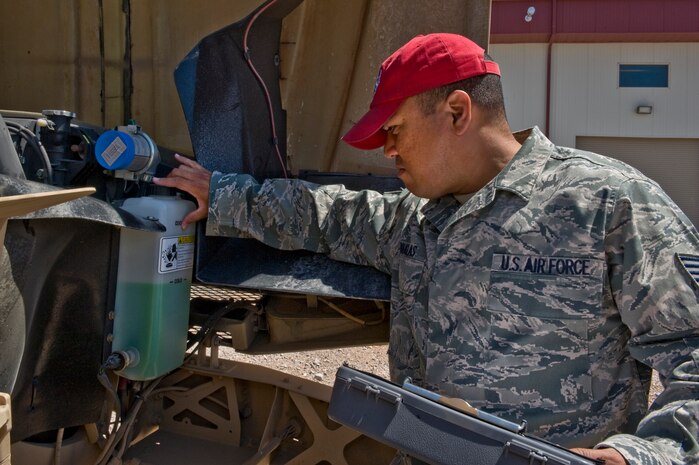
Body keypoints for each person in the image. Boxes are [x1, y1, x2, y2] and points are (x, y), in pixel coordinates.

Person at [154, 33, 699, 465]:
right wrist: (220, 193)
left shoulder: (609, 205)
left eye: (394, 131)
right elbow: (325, 213)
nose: (387, 151)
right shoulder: (418, 219)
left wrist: (642, 455)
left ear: (458, 112)